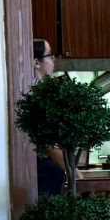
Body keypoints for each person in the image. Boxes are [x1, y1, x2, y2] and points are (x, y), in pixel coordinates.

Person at [28, 38, 69, 200]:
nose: (54, 60)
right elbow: (49, 144)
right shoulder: (36, 95)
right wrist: (73, 172)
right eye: (50, 55)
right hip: (44, 167)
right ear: (36, 62)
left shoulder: (40, 90)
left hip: (47, 166)